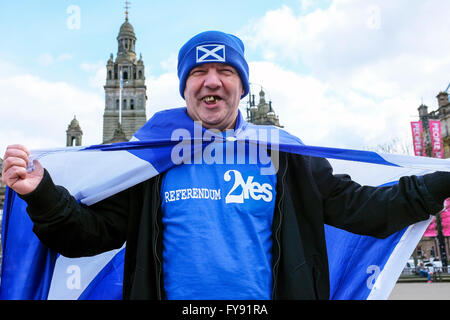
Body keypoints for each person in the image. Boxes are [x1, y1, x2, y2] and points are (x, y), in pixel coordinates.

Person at [2, 30, 450, 300]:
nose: (211, 80)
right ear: (184, 88)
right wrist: (41, 193)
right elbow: (89, 234)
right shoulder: (148, 159)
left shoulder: (285, 156)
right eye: (198, 72)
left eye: (225, 71)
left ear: (241, 86)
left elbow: (365, 209)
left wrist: (442, 181)